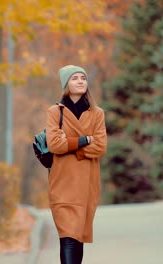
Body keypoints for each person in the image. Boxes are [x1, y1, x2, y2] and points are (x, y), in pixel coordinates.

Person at [46, 65, 107, 264]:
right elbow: (54, 144)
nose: (80, 81)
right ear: (66, 84)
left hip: (86, 184)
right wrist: (84, 140)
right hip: (62, 183)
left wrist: (70, 144)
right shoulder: (55, 112)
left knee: (77, 237)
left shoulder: (97, 113)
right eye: (75, 78)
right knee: (68, 237)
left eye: (83, 78)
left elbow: (100, 147)